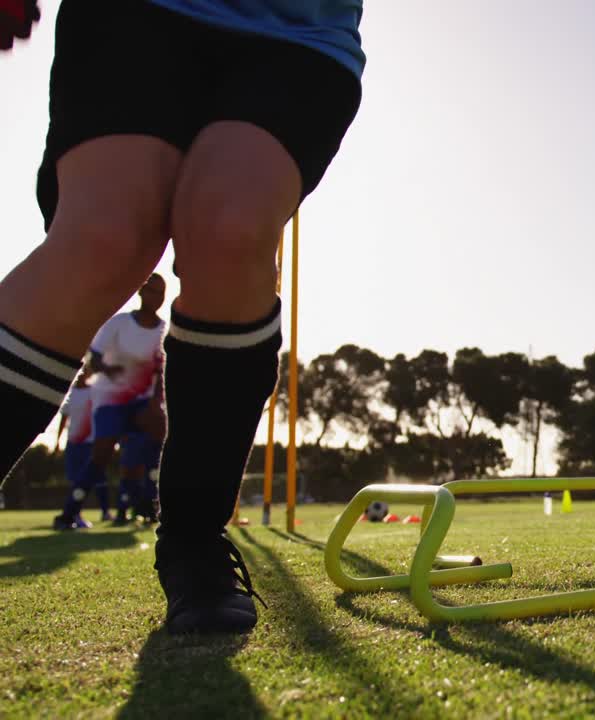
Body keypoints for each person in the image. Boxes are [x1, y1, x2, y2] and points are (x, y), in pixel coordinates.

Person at [0, 1, 364, 634]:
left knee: (231, 231)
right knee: (105, 240)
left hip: (298, 31)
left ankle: (194, 539)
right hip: (134, 13)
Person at [86, 274, 166, 526]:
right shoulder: (119, 323)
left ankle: (145, 505)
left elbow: (161, 371)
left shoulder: (164, 330)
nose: (157, 297)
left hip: (141, 401)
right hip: (111, 398)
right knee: (102, 453)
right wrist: (109, 370)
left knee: (150, 443)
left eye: (162, 293)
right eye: (152, 291)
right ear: (141, 291)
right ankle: (71, 509)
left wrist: (156, 402)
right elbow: (94, 358)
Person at [52, 368, 98, 530]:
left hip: (90, 443)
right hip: (73, 443)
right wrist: (57, 442)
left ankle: (76, 513)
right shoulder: (70, 393)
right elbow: (64, 418)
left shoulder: (94, 392)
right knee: (74, 480)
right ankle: (74, 513)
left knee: (85, 479)